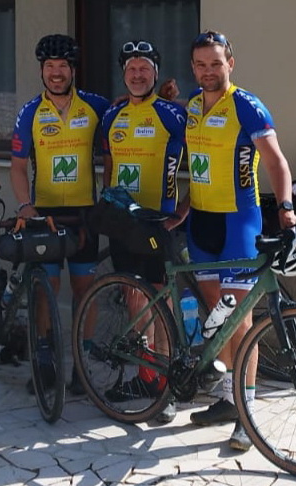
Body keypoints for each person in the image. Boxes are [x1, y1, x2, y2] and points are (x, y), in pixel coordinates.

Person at [184, 30, 296, 451]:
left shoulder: (246, 106)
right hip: (200, 222)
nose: (208, 71)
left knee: (239, 320)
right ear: (193, 67)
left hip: (238, 223)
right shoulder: (191, 106)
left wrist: (286, 208)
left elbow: (276, 162)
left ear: (230, 63)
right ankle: (228, 398)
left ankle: (246, 412)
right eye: (201, 64)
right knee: (218, 319)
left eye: (216, 63)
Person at [10, 34, 110, 395]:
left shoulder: (95, 106)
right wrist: (26, 205)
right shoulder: (30, 112)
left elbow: (121, 133)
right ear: (42, 71)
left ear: (72, 70)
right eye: (50, 66)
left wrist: (107, 195)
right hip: (46, 215)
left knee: (85, 289)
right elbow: (18, 166)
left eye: (63, 66)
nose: (56, 72)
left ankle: (82, 362)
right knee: (45, 289)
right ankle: (45, 360)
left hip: (84, 215)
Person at [100, 39, 187, 423]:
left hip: (158, 221)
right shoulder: (112, 115)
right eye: (131, 69)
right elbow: (108, 164)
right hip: (123, 221)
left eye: (144, 69)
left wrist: (184, 207)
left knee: (160, 302)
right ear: (124, 74)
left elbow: (204, 154)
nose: (137, 75)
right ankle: (145, 377)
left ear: (155, 73)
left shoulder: (172, 114)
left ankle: (165, 385)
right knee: (134, 298)